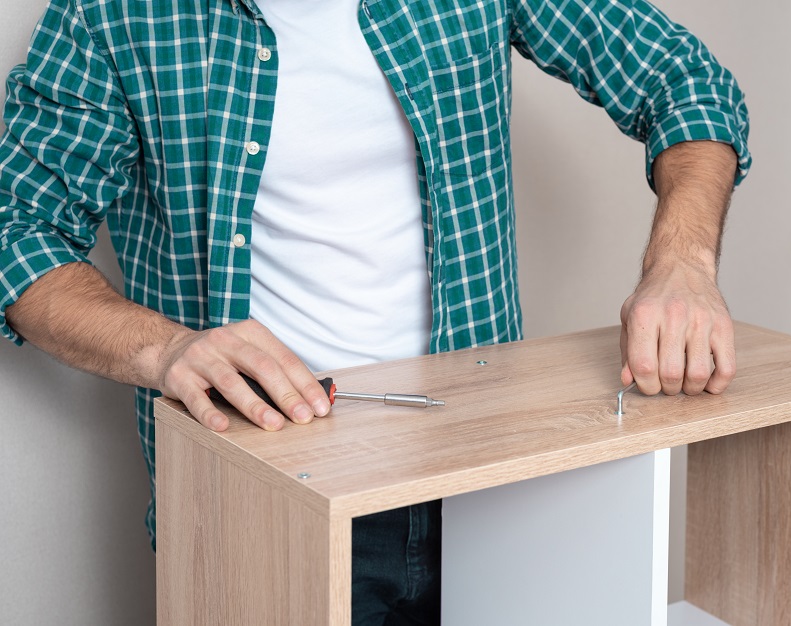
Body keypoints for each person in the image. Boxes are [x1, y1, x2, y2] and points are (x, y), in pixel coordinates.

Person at [0, 0, 749, 623]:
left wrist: (681, 262)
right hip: (263, 504)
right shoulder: (111, 14)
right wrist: (165, 351)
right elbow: (17, 229)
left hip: (489, 485)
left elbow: (683, 79)